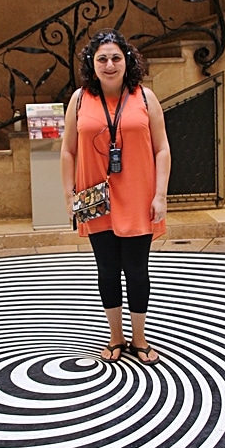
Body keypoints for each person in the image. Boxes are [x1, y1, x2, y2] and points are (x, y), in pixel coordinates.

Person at [60, 28, 171, 365]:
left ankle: (139, 338)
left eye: (116, 58)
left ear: (127, 61)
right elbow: (67, 150)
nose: (109, 65)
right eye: (102, 59)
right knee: (107, 269)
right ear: (92, 64)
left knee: (137, 269)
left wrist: (161, 195)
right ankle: (116, 337)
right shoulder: (79, 99)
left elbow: (162, 149)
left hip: (138, 196)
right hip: (96, 198)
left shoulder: (145, 97)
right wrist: (68, 195)